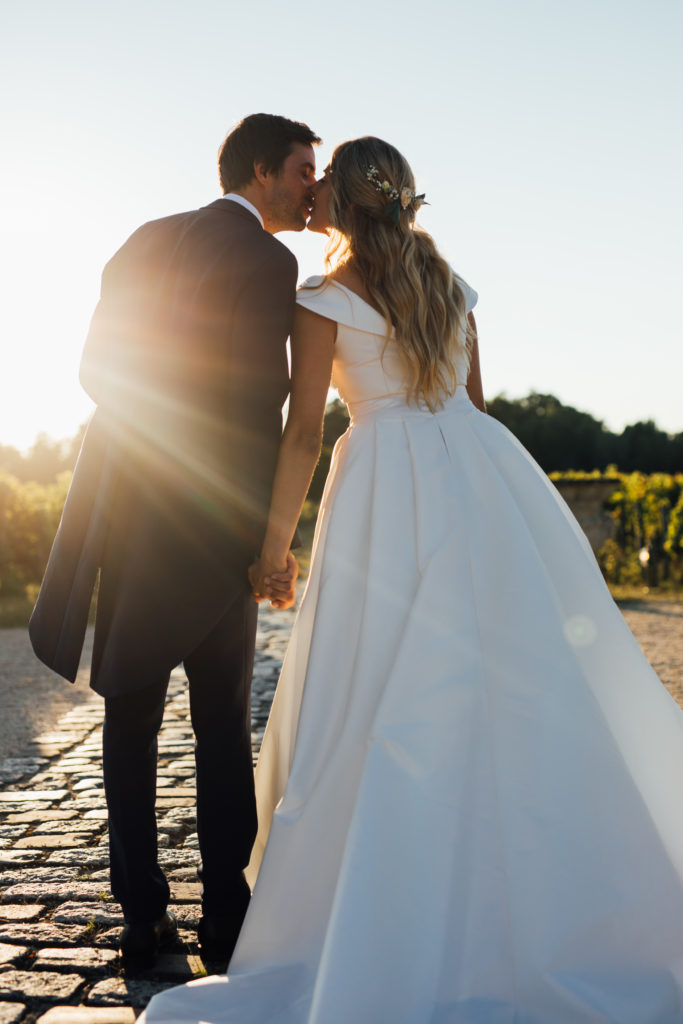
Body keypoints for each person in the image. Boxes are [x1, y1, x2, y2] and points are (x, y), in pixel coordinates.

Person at [143, 137, 683, 1022]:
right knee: (505, 683)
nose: (307, 195)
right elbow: (472, 407)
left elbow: (304, 435)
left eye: (322, 188)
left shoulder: (322, 297)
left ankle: (386, 908)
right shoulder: (448, 287)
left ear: (344, 205)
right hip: (479, 477)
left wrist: (274, 548)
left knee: (372, 687)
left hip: (386, 488)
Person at [28, 113, 321, 969]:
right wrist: (266, 535)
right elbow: (258, 401)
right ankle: (225, 915)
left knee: (129, 719)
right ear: (263, 172)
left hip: (131, 520)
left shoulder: (142, 241)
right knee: (221, 726)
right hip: (216, 527)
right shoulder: (269, 261)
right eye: (305, 168)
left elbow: (94, 371)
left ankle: (140, 918)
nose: (313, 184)